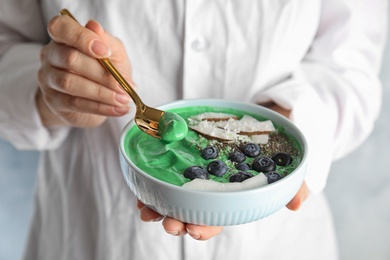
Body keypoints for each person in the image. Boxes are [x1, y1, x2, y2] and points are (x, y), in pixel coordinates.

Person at [0, 0, 387, 259]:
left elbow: (350, 70)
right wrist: (52, 90)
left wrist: (270, 125)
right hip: (90, 234)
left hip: (277, 242)